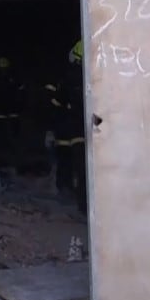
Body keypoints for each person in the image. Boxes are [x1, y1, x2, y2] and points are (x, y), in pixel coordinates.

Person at [44, 40, 100, 213]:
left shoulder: (69, 77)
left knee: (74, 165)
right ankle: (82, 202)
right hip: (81, 129)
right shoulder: (93, 75)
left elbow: (56, 103)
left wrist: (52, 127)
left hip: (73, 129)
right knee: (81, 166)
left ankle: (78, 201)